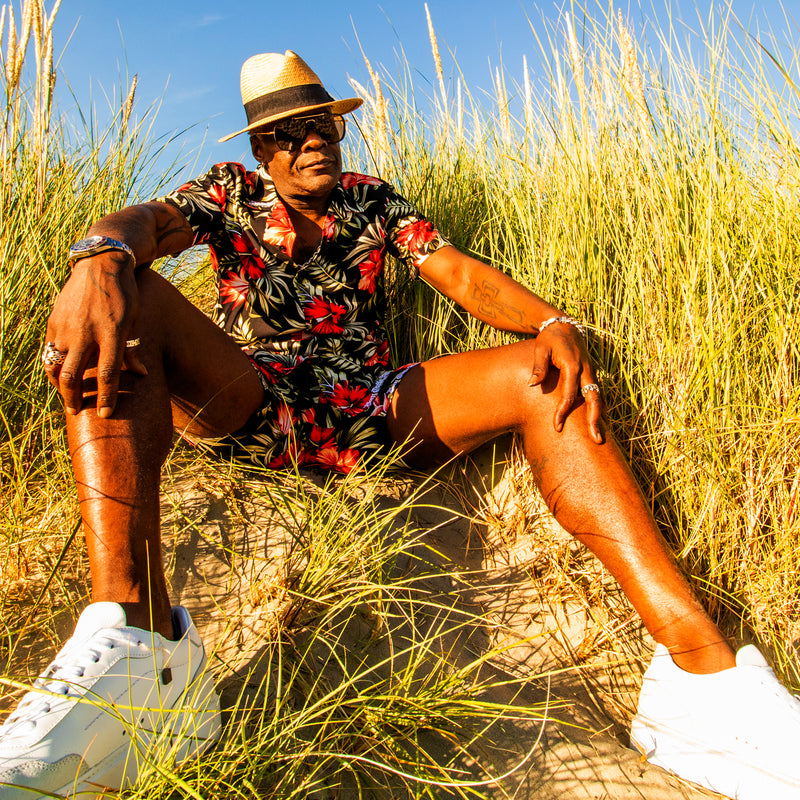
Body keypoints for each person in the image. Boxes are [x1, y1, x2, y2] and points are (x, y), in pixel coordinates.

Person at [0, 50, 798, 800]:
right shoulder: (228, 192)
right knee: (127, 298)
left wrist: (553, 321)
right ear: (262, 149)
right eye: (289, 132)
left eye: (323, 124)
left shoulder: (372, 200)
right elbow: (145, 221)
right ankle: (137, 638)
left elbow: (459, 275)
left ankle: (700, 676)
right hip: (254, 404)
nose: (313, 141)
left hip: (371, 409)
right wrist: (99, 260)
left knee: (543, 372)